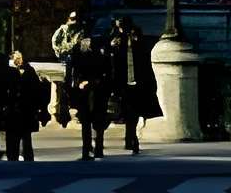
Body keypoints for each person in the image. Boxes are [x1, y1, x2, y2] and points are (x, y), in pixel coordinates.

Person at [108, 16, 161, 154]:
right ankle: (131, 139)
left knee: (134, 112)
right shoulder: (116, 39)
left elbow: (145, 59)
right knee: (128, 112)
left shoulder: (136, 39)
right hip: (123, 82)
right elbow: (112, 61)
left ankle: (132, 139)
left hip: (136, 82)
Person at [65, 18, 111, 160]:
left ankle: (89, 149)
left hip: (88, 87)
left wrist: (77, 83)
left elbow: (72, 69)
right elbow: (107, 69)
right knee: (95, 120)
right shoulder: (100, 48)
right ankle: (96, 148)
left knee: (88, 121)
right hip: (95, 87)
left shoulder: (80, 49)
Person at [3, 49, 48, 163]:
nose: (18, 60)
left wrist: (38, 108)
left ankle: (27, 160)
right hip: (13, 110)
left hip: (26, 109)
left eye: (20, 57)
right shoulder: (8, 71)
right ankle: (13, 159)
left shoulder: (29, 70)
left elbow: (36, 89)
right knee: (13, 139)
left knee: (26, 138)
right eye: (16, 58)